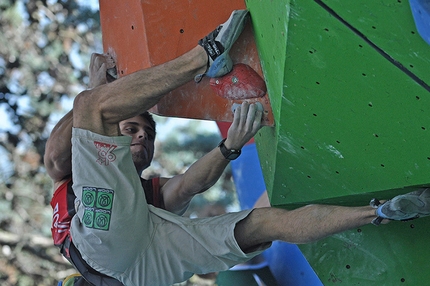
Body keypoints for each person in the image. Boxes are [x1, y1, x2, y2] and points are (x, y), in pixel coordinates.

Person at [46, 9, 430, 286]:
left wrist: (229, 147)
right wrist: (97, 90)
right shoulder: (71, 178)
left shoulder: (145, 199)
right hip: (104, 253)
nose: (143, 136)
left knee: (261, 224)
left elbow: (190, 184)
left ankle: (379, 213)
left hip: (147, 273)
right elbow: (61, 149)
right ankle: (205, 55)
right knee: (89, 105)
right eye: (132, 127)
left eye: (148, 134)